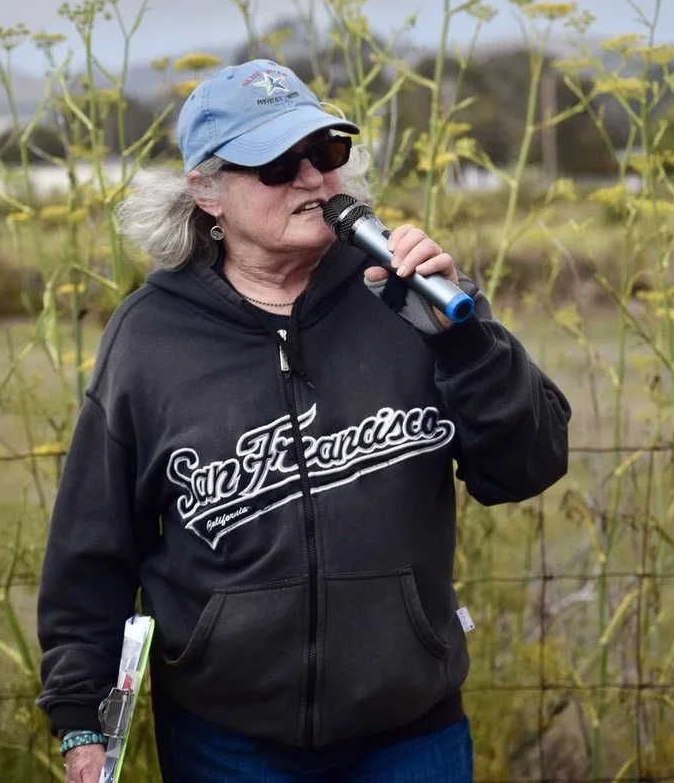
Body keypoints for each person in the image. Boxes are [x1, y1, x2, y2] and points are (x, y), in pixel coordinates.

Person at [37, 59, 571, 783]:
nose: (313, 179)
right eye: (277, 163)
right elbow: (93, 546)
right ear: (207, 191)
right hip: (227, 737)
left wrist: (465, 341)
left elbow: (527, 469)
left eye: (327, 153)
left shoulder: (410, 298)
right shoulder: (150, 335)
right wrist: (80, 720)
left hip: (410, 729)